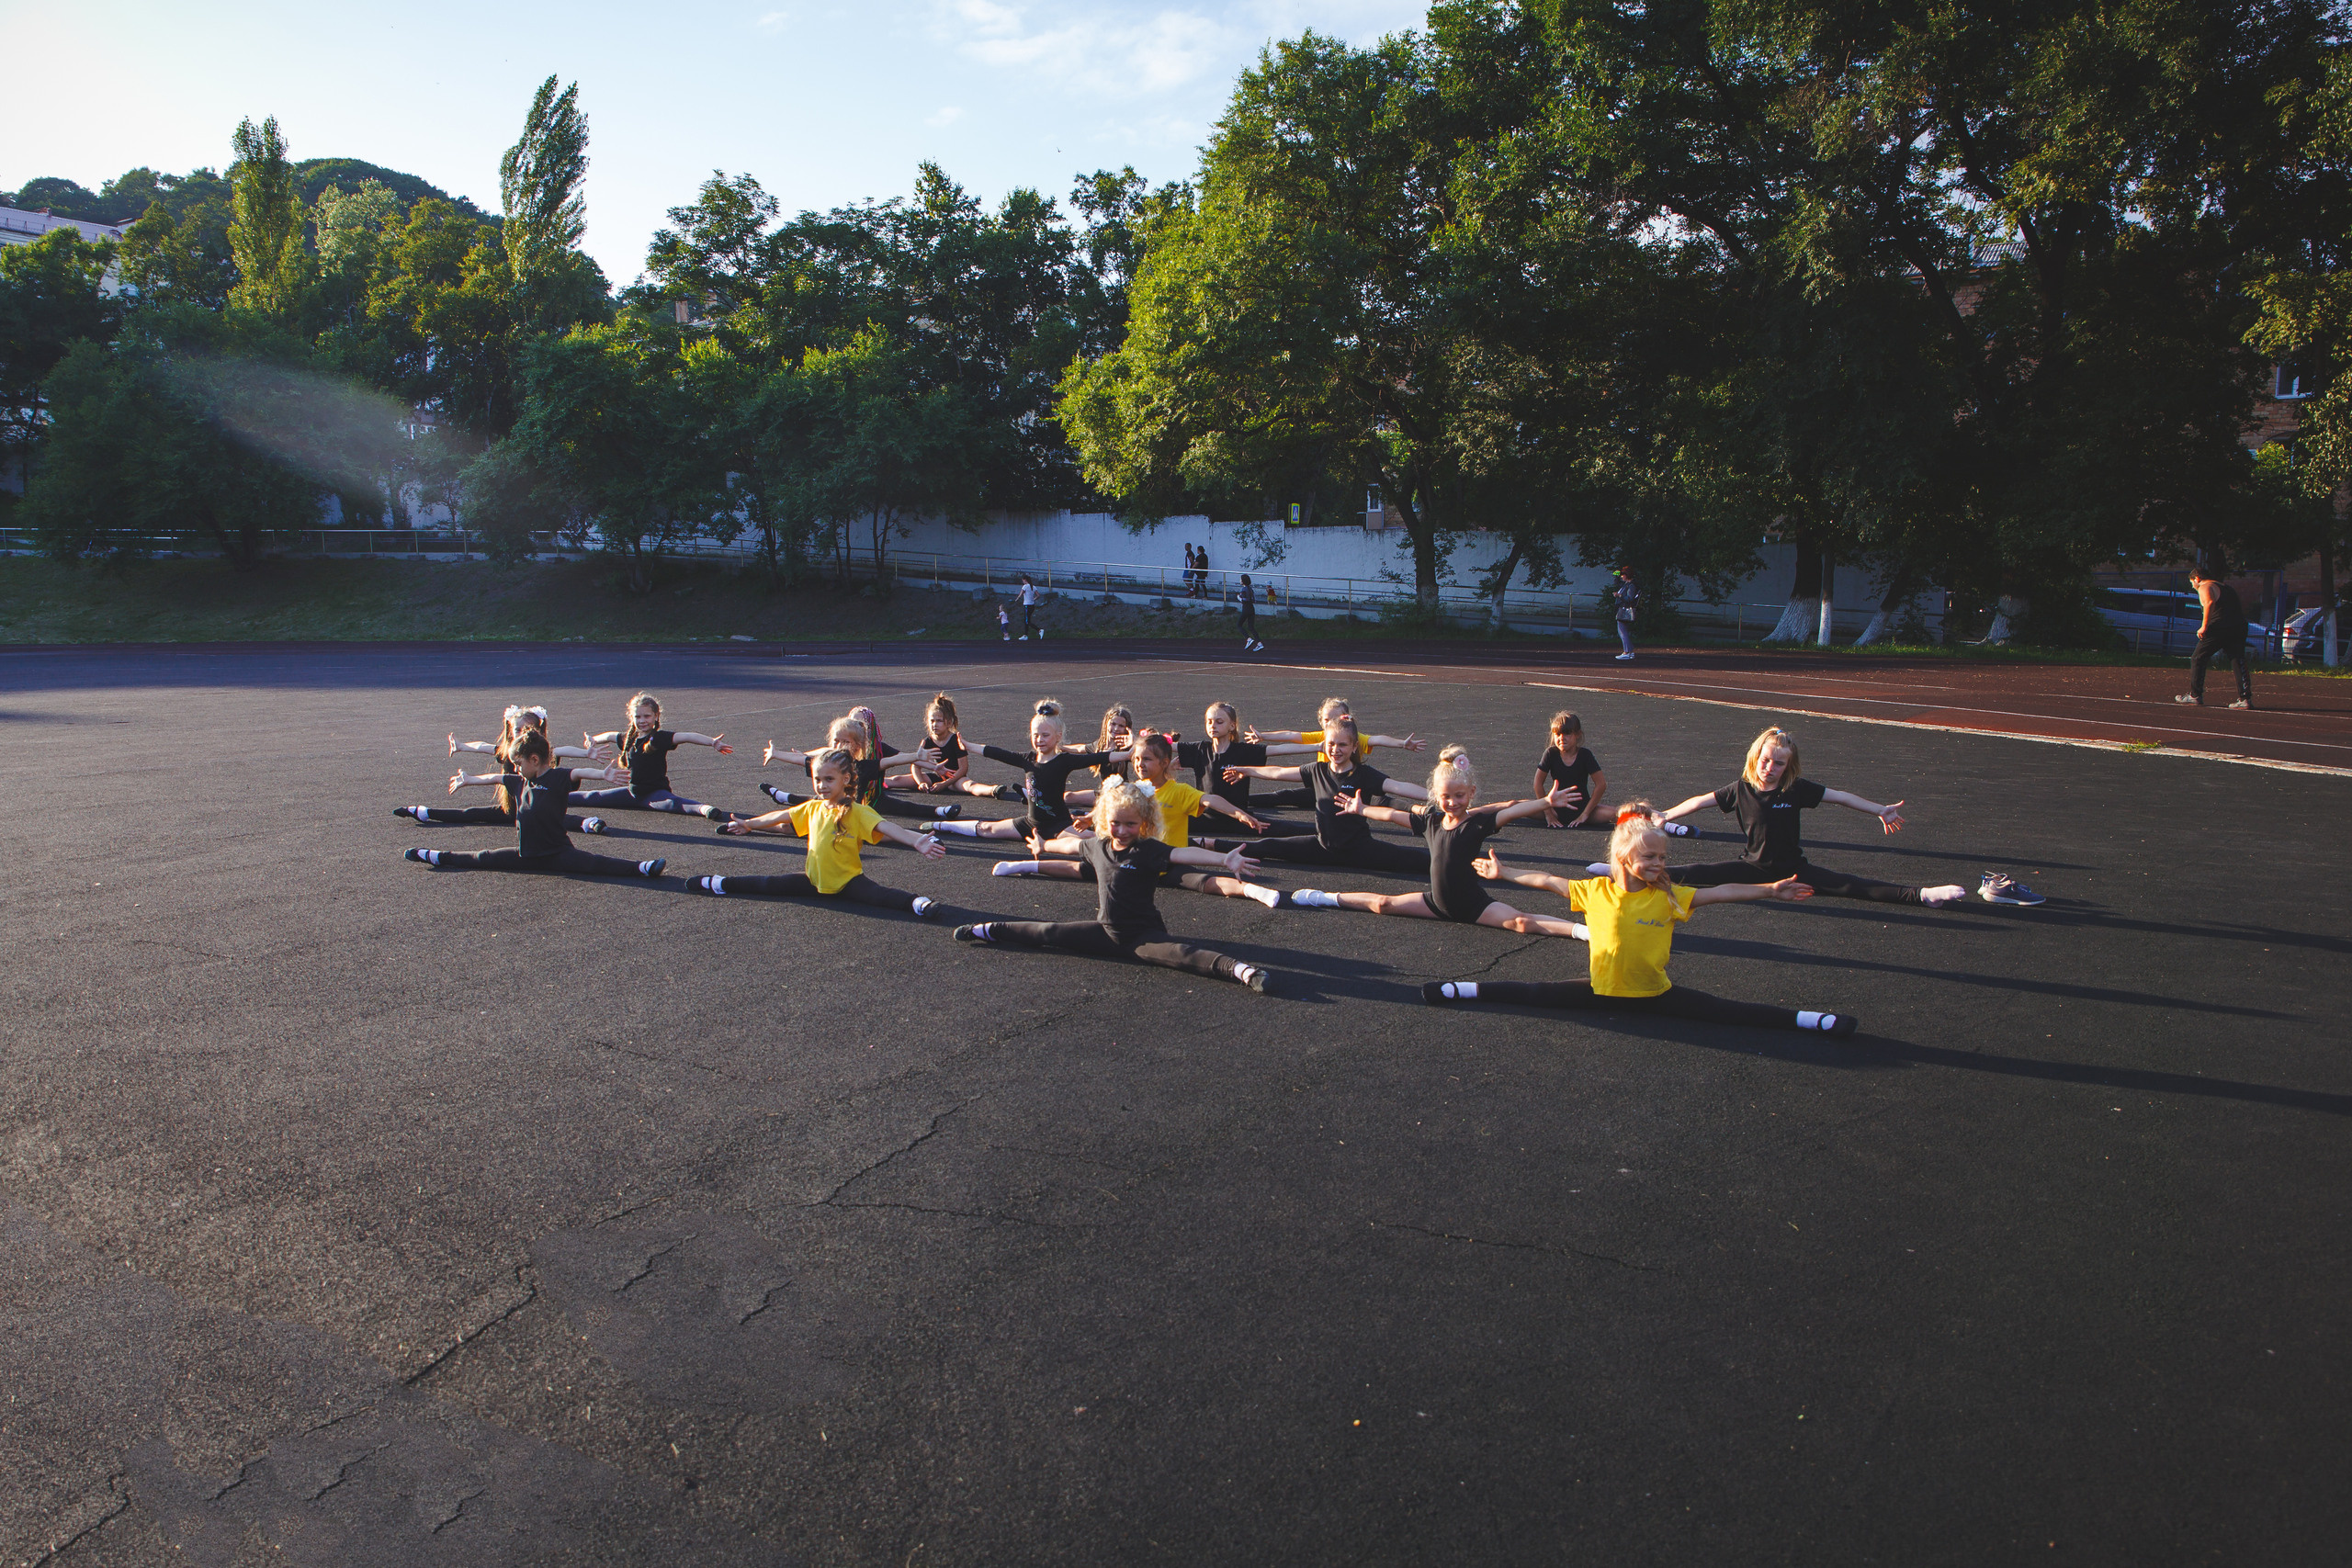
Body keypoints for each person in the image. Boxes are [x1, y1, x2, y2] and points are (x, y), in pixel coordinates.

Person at [1423, 807, 1860, 1033]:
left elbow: (1721, 891)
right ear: (1623, 857)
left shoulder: (1667, 897)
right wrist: (1505, 873)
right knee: (1533, 993)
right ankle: (1463, 988)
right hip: (1600, 992)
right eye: (1650, 856)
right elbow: (1549, 880)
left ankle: (1808, 1019)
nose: (1658, 863)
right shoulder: (1595, 891)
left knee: (1729, 1012)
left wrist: (1768, 890)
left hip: (1655, 995)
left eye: (1662, 858)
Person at [952, 779, 1281, 994]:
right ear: (1104, 821)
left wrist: (1224, 859)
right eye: (1116, 823)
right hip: (1105, 932)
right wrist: (1043, 845)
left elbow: (1183, 853)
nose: (1122, 830)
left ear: (1145, 823)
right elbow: (1069, 846)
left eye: (1130, 824)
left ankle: (1243, 971)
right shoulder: (1097, 845)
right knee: (1049, 932)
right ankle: (987, 929)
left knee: (1184, 955)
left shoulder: (1148, 850)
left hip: (1143, 936)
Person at [1651, 726, 2019, 907]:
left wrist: (1879, 809)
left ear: (1788, 767)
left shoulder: (1796, 789)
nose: (1770, 767)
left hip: (1793, 868)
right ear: (1755, 758)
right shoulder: (1740, 788)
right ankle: (1633, 874)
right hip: (1752, 867)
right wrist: (1667, 814)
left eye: (1779, 763)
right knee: (1697, 873)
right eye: (1765, 760)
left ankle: (1922, 895)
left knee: (1850, 885)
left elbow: (1841, 797)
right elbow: (1699, 801)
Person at [1283, 747, 1590, 938]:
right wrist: (1362, 809)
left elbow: (1509, 812)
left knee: (1522, 922)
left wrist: (1545, 802)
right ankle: (1326, 897)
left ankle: (1582, 931)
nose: (1452, 802)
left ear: (1471, 793)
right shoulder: (1430, 822)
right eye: (1445, 797)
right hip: (1436, 903)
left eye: (1459, 796)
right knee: (1382, 904)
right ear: (1435, 796)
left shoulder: (1475, 825)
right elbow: (1392, 815)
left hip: (1473, 906)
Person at [994, 730, 1287, 908]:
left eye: (1146, 759)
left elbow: (1210, 800)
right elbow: (1112, 808)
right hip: (1131, 857)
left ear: (1164, 763)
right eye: (1135, 759)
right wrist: (1090, 818)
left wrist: (1238, 813)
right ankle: (1027, 864)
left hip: (1167, 860)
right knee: (1080, 868)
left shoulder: (1179, 791)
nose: (1139, 764)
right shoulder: (1133, 790)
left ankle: (1252, 890)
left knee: (1205, 881)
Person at [703, 746, 945, 914]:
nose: (822, 785)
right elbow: (780, 816)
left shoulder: (858, 811)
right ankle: (720, 883)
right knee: (769, 884)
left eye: (829, 779)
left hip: (849, 882)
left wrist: (916, 840)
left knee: (880, 896)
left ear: (846, 779)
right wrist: (749, 823)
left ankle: (918, 904)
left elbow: (888, 827)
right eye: (817, 779)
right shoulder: (813, 807)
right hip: (813, 881)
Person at [405, 731, 667, 878]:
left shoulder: (558, 778)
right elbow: (493, 778)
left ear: (534, 759)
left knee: (594, 863)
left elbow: (579, 772)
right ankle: (435, 855)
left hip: (557, 853)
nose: (516, 769)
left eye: (519, 763)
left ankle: (641, 867)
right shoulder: (519, 782)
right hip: (526, 855)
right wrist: (469, 780)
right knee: (483, 857)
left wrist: (603, 775)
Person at [1206, 719, 1434, 873]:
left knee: (1416, 859)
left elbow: (1398, 786)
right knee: (1268, 846)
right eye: (1331, 744)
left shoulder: (1364, 774)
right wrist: (1247, 770)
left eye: (1343, 745)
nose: (1335, 750)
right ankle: (1207, 843)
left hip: (1360, 849)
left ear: (1355, 747)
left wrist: (1435, 796)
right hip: (1321, 846)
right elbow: (1279, 772)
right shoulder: (1317, 770)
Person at [929, 699, 1126, 848]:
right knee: (988, 829)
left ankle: (1130, 843)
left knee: (1089, 841)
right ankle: (942, 826)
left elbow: (1100, 757)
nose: (1039, 740)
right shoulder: (1028, 759)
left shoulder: (1064, 760)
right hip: (1030, 823)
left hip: (1058, 825)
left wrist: (1129, 753)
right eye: (1035, 735)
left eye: (1045, 735)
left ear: (1058, 737)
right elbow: (999, 753)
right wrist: (969, 746)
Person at [401, 705, 605, 830]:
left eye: (527, 729)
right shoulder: (508, 751)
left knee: (557, 819)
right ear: (511, 730)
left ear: (538, 731)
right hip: (513, 809)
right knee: (471, 814)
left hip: (539, 808)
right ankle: (425, 812)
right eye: (517, 729)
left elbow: (561, 750)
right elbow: (483, 746)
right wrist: (462, 746)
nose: (521, 733)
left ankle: (588, 822)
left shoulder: (542, 753)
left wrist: (586, 753)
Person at [574, 693, 738, 820]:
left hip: (655, 794)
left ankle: (704, 809)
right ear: (632, 718)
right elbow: (609, 736)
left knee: (674, 804)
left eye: (647, 716)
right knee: (593, 796)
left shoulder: (659, 738)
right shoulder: (628, 739)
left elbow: (687, 736)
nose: (642, 720)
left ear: (656, 716)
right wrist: (593, 740)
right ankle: (561, 795)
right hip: (632, 793)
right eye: (638, 717)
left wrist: (712, 742)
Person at [2177, 555, 2255, 709]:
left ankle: (2195, 695)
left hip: (2219, 627)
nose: (2193, 586)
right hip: (2238, 626)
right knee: (2237, 660)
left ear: (2197, 578)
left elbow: (2209, 603)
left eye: (2192, 583)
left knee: (2198, 657)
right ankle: (2245, 699)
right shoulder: (2226, 587)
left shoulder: (2205, 586)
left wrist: (2204, 626)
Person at [1532, 710, 1611, 831]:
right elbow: (1537, 784)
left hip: (1583, 810)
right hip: (1555, 810)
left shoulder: (1585, 755)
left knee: (1620, 813)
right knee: (1514, 806)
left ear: (1577, 734)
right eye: (1558, 734)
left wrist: (1585, 814)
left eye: (1567, 733)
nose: (1562, 738)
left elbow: (1601, 784)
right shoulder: (1550, 754)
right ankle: (1497, 813)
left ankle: (1645, 812)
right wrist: (1548, 813)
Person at [1610, 569, 1640, 661]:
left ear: (1627, 575)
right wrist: (1616, 576)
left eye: (1623, 575)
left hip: (1624, 610)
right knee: (1623, 631)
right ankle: (1629, 651)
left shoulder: (1631, 586)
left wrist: (1619, 596)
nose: (1621, 576)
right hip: (1623, 609)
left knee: (1622, 632)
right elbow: (1618, 584)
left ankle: (1626, 652)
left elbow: (1629, 598)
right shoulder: (1626, 584)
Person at [1238, 573, 1263, 652]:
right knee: (1251, 627)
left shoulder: (1244, 589)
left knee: (1239, 625)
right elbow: (1254, 600)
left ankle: (1248, 639)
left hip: (1246, 608)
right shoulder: (1251, 589)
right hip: (1252, 608)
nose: (1240, 580)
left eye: (1241, 579)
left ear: (1243, 581)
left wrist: (1239, 598)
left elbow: (1244, 600)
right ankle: (1259, 643)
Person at [1018, 573, 1042, 640]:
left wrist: (1017, 599)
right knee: (1027, 620)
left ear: (1025, 580)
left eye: (1023, 580)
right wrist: (1033, 599)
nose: (1023, 581)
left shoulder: (1025, 586)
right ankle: (1025, 635)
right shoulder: (1033, 587)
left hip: (1027, 605)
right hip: (1032, 605)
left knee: (1027, 621)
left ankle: (1039, 630)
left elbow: (1021, 594)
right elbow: (1038, 595)